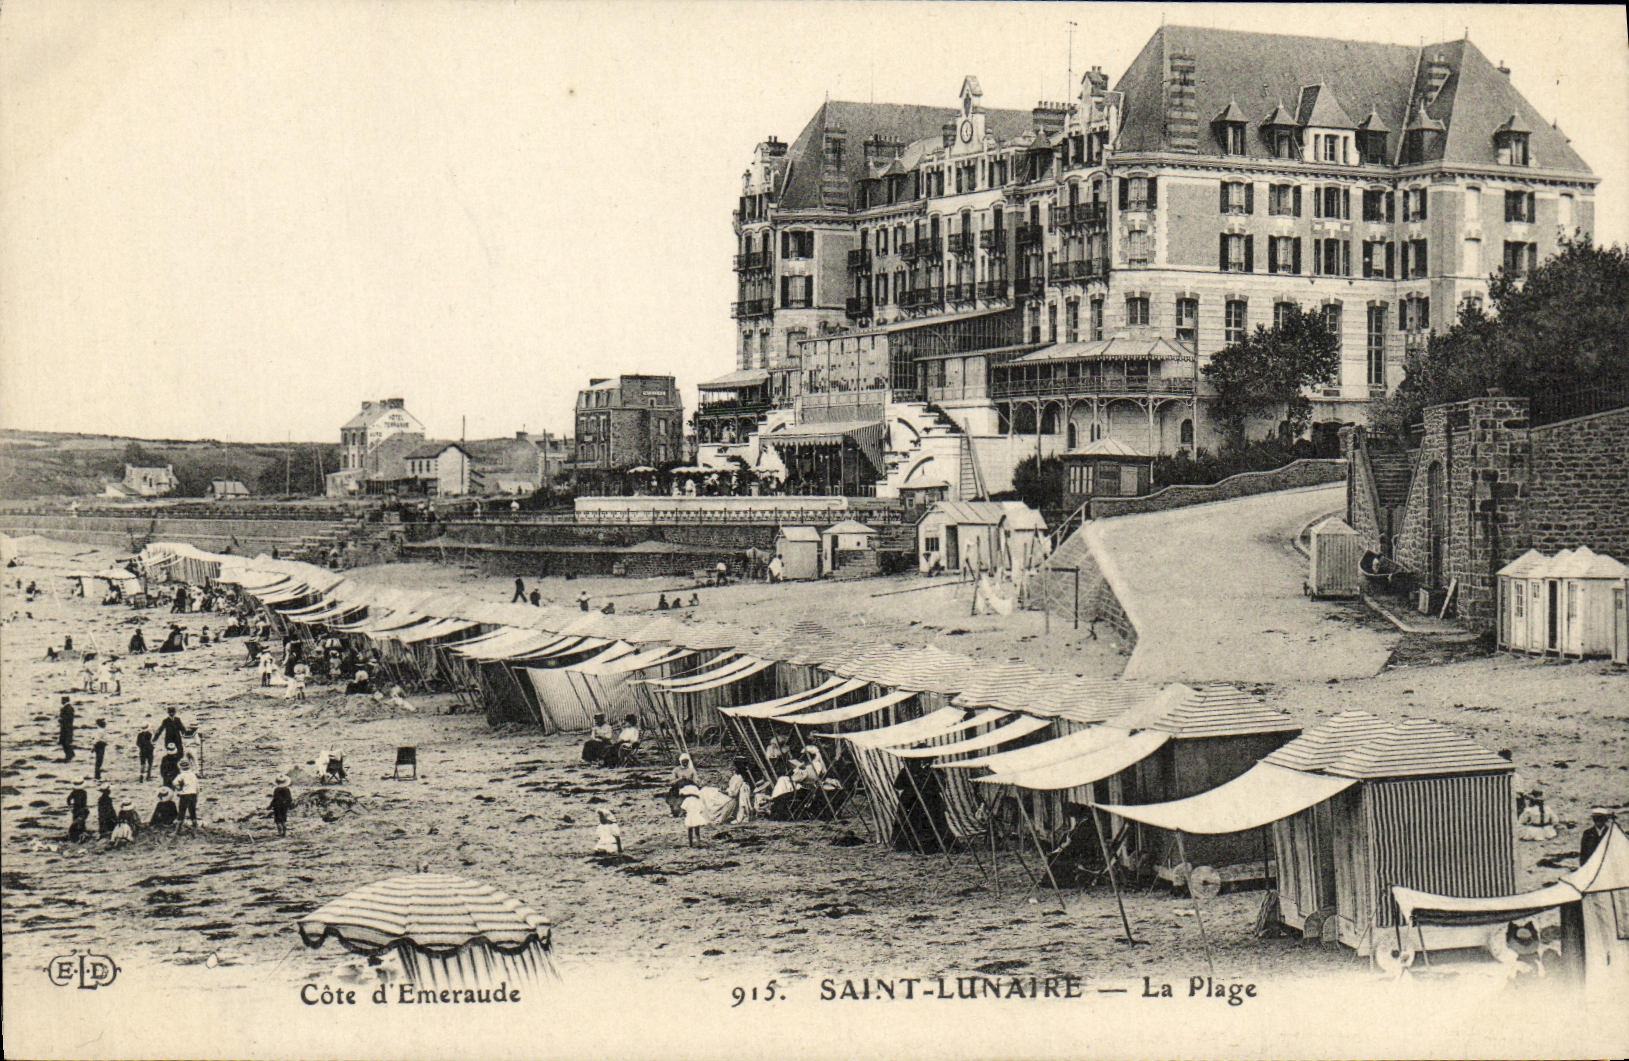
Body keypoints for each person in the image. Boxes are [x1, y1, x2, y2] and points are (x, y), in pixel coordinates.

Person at [173, 758, 200, 833]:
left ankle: (177, 830)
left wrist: (179, 789)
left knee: (181, 812)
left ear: (180, 767)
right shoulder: (193, 775)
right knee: (192, 811)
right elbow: (198, 787)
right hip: (193, 794)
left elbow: (175, 783)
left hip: (185, 795)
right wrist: (196, 796)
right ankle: (195, 827)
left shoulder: (182, 775)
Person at [725, 757, 754, 824]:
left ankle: (740, 818)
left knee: (742, 803)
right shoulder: (738, 776)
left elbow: (733, 792)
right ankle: (741, 816)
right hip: (738, 790)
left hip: (741, 792)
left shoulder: (739, 777)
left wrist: (726, 791)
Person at [58, 697, 75, 762]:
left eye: (62, 700)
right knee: (65, 742)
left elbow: (68, 718)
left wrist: (61, 720)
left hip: (66, 728)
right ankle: (70, 755)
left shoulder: (68, 708)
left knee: (65, 742)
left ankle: (69, 755)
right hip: (66, 728)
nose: (61, 701)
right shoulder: (68, 708)